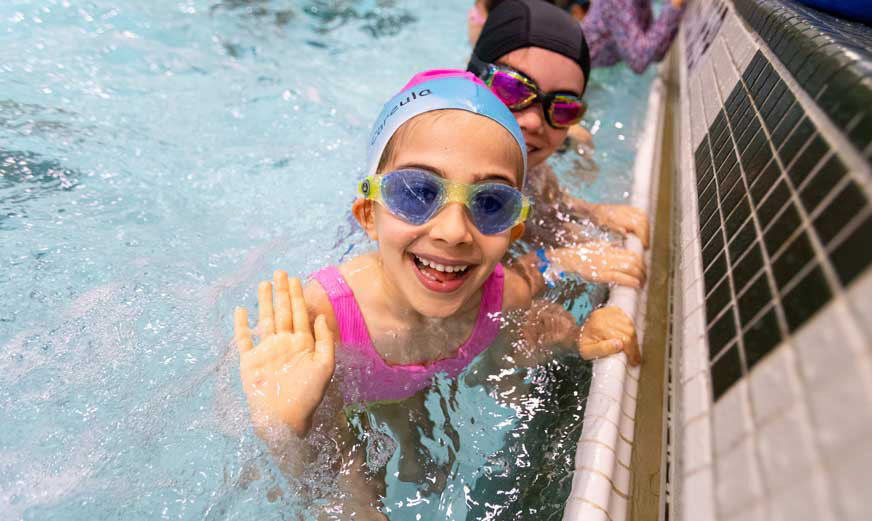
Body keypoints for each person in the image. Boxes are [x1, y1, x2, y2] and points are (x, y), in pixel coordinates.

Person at [233, 70, 643, 518]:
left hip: (415, 389)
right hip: (350, 400)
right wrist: (286, 431)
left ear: (513, 229)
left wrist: (584, 334)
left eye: (490, 204)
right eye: (417, 193)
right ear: (369, 215)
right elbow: (320, 487)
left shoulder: (497, 296)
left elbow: (535, 311)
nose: (453, 232)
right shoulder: (321, 324)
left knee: (429, 468)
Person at [468, 0, 650, 251]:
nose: (533, 122)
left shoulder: (531, 167)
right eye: (512, 89)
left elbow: (542, 202)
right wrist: (543, 268)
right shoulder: (435, 161)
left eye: (564, 108)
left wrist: (593, 211)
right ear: (472, 80)